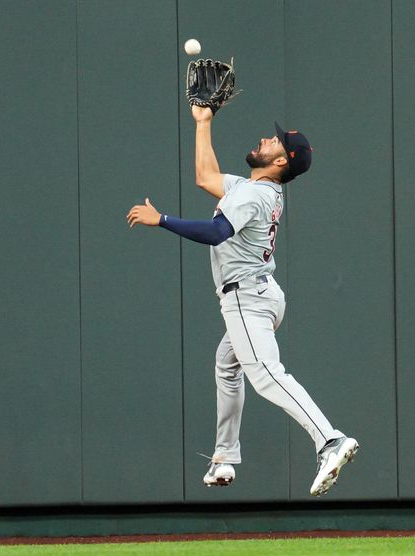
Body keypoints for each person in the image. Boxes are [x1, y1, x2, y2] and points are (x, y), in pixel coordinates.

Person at [127, 105, 358, 496]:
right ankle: (224, 459)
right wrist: (204, 123)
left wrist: (162, 219)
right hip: (260, 293)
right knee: (227, 366)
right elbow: (206, 177)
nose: (267, 138)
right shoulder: (256, 189)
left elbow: (217, 232)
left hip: (247, 299)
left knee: (267, 375)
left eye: (276, 141)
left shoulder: (252, 195)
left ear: (281, 160)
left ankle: (330, 441)